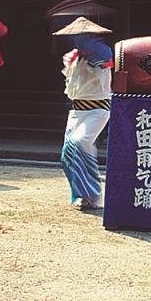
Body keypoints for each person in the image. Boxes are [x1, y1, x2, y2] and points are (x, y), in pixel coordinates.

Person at [53, 17, 113, 210]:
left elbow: (108, 62)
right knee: (67, 153)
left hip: (98, 109)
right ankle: (83, 195)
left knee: (81, 143)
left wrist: (91, 48)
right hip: (77, 111)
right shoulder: (70, 57)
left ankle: (95, 194)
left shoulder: (100, 53)